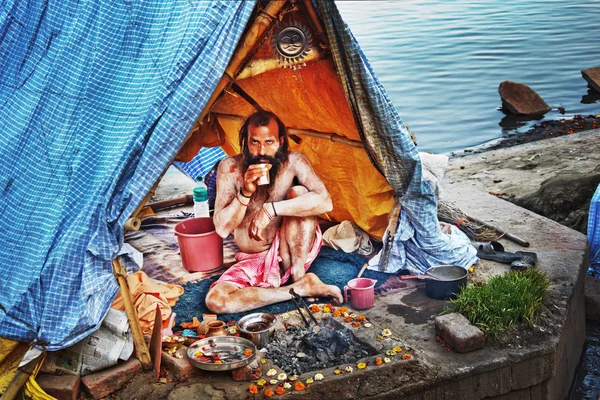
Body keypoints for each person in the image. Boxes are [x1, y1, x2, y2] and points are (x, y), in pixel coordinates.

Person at [205, 110, 343, 314]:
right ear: (245, 141)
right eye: (254, 142)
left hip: (291, 249)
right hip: (253, 258)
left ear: (280, 141)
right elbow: (223, 229)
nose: (261, 151)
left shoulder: (294, 161)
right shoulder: (230, 167)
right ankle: (300, 288)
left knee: (300, 193)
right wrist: (245, 193)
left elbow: (325, 202)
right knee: (216, 301)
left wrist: (271, 209)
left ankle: (298, 272)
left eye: (269, 142)